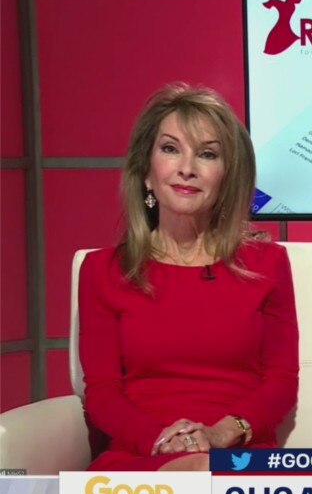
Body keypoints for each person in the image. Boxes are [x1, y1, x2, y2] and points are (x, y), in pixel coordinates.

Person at [79, 85, 299, 471]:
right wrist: (162, 441)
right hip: (141, 457)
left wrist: (220, 435)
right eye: (170, 149)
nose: (187, 168)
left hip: (238, 456)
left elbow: (281, 381)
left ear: (227, 177)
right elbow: (102, 392)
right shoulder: (103, 270)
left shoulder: (267, 264)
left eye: (207, 154)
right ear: (147, 172)